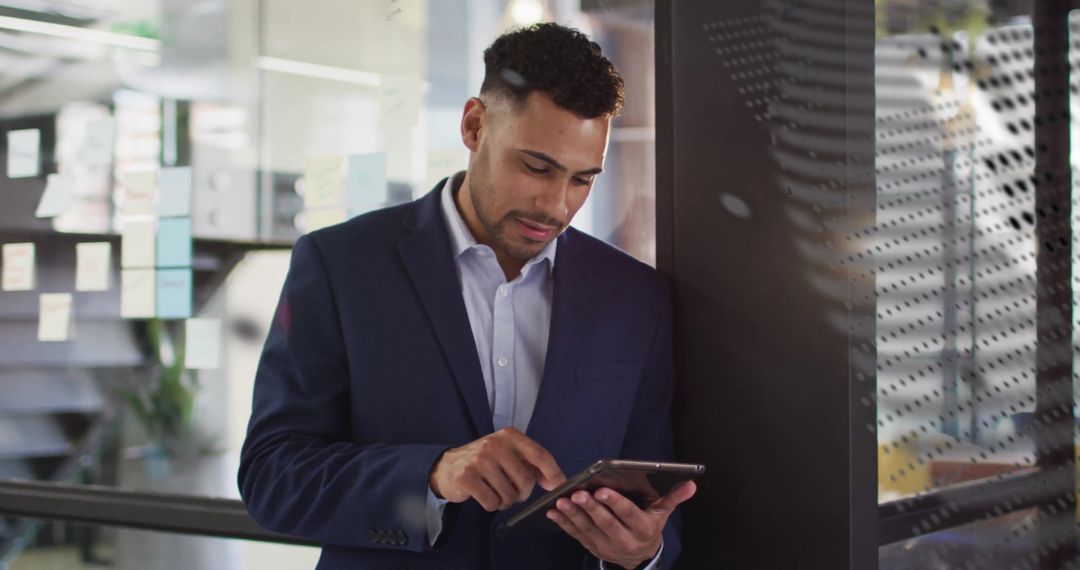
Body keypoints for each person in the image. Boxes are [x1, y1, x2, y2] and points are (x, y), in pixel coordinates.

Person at [238, 22, 695, 570]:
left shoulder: (635, 298)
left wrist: (644, 552)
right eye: (536, 167)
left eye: (582, 180)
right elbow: (272, 476)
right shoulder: (342, 265)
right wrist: (433, 474)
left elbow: (657, 499)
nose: (555, 205)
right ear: (475, 125)